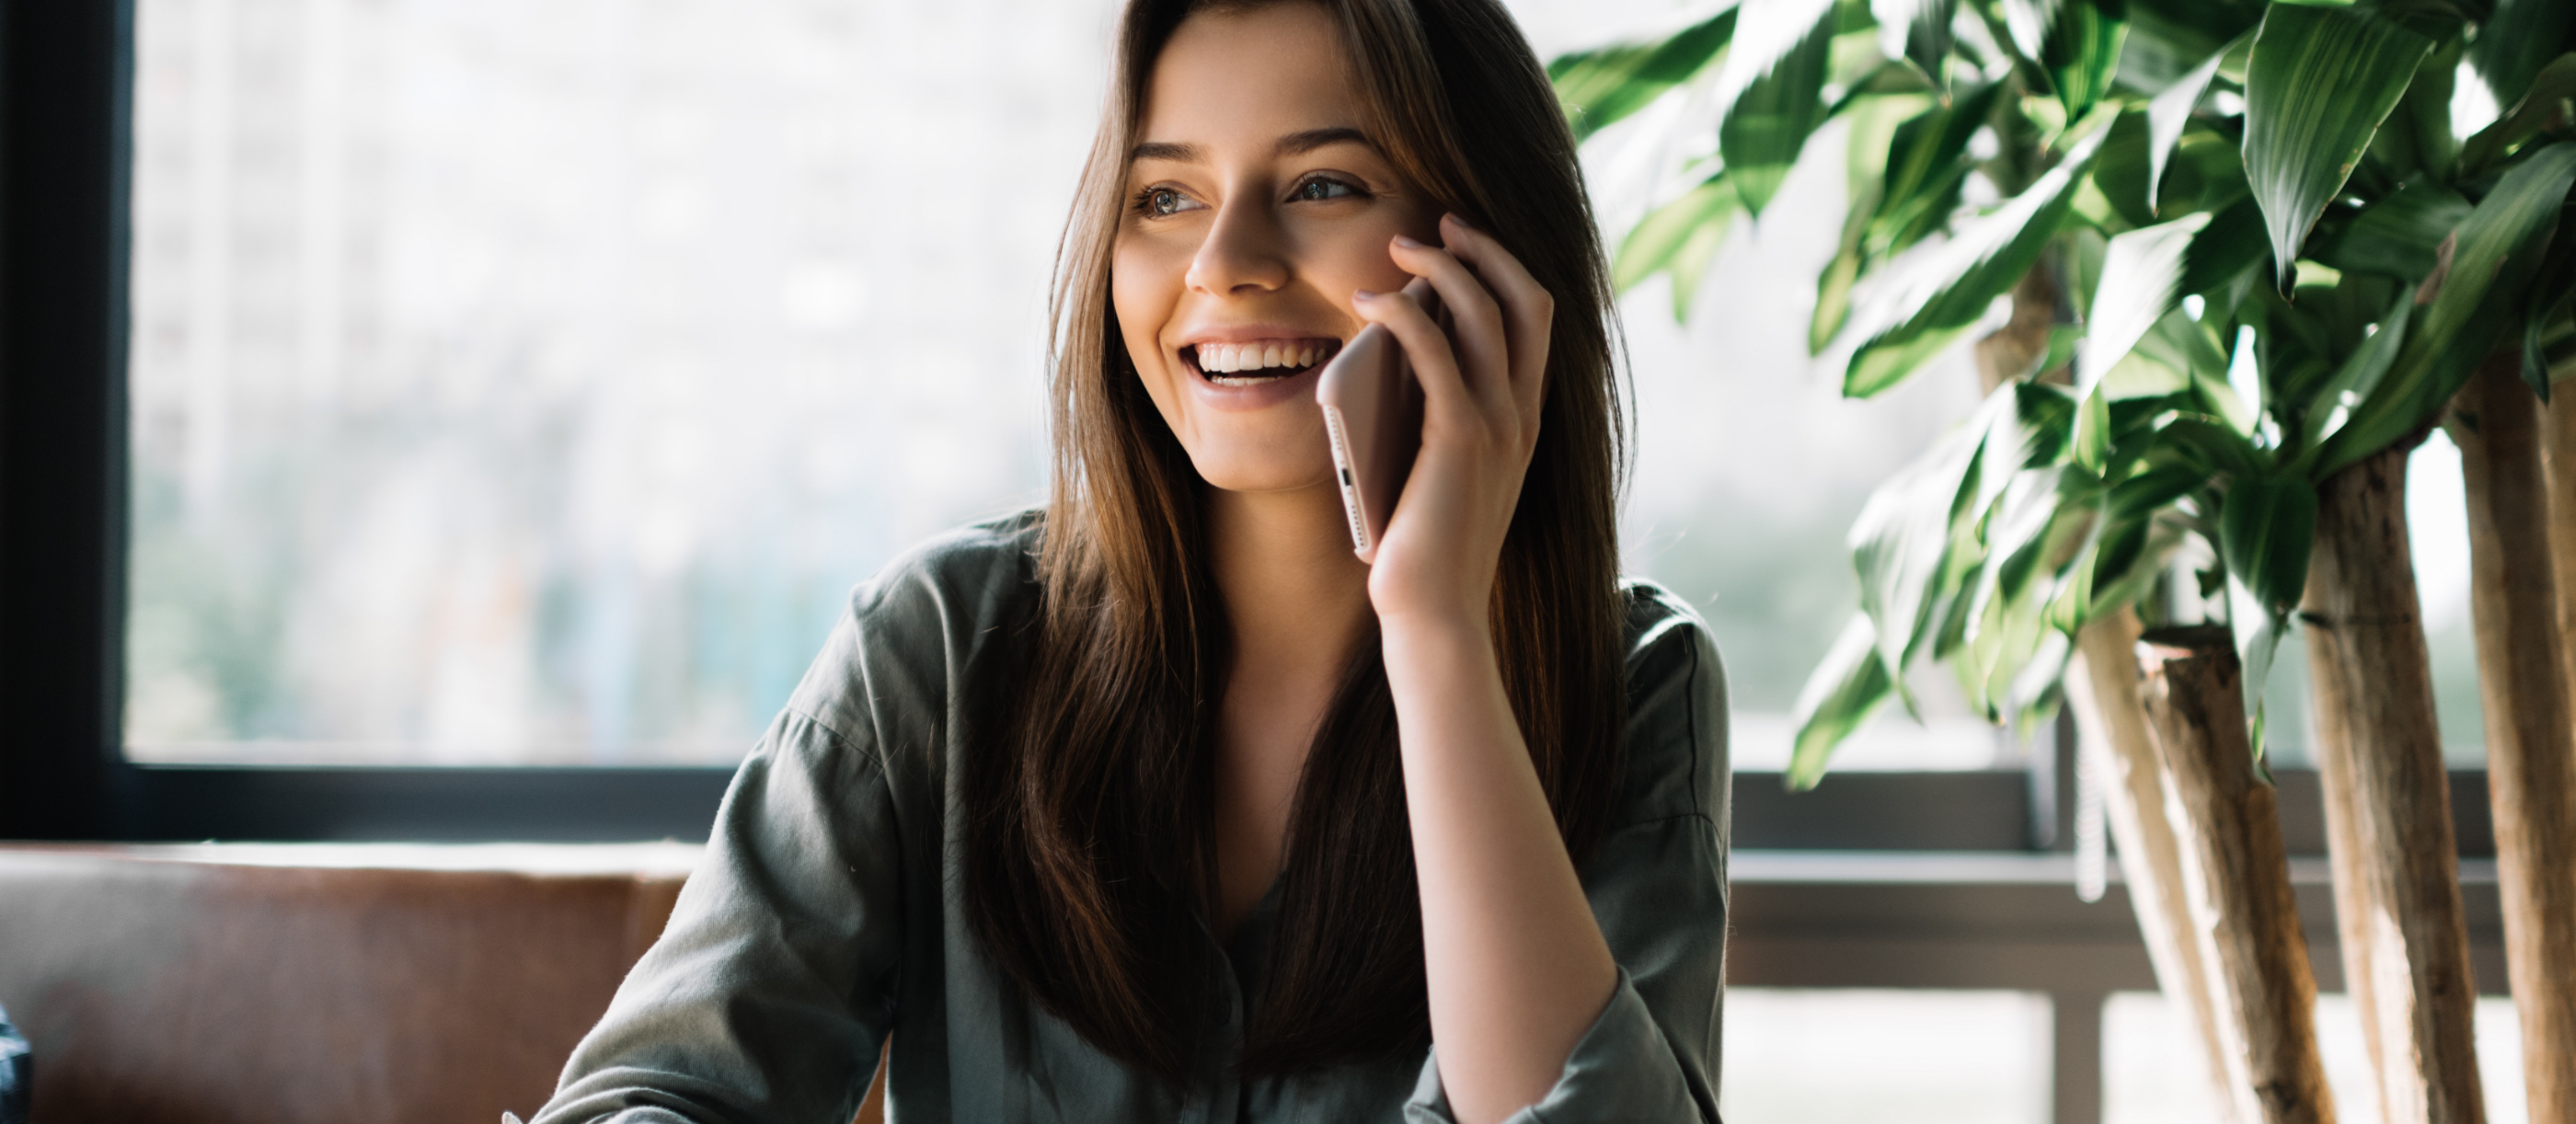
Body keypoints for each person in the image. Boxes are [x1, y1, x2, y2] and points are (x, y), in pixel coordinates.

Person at [523, 0, 1729, 1121]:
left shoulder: (1634, 684)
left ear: (1488, 259)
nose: (1223, 263)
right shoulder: (938, 649)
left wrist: (1434, 624)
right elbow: (663, 1090)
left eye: (1321, 183)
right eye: (1165, 199)